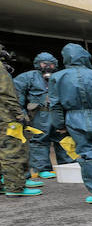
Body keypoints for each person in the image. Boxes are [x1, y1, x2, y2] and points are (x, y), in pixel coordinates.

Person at [49, 44, 92, 204]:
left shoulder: (57, 77)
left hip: (75, 118)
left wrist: (59, 125)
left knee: (88, 154)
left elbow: (55, 105)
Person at [13, 50, 67, 180]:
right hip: (39, 114)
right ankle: (42, 168)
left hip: (58, 113)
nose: (47, 67)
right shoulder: (28, 77)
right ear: (38, 64)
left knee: (63, 139)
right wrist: (22, 113)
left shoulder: (60, 77)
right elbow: (17, 93)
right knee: (39, 140)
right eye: (44, 64)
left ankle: (67, 166)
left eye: (51, 64)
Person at [2, 48, 42, 198]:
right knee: (11, 151)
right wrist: (19, 114)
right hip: (5, 117)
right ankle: (14, 187)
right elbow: (7, 94)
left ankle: (3, 184)